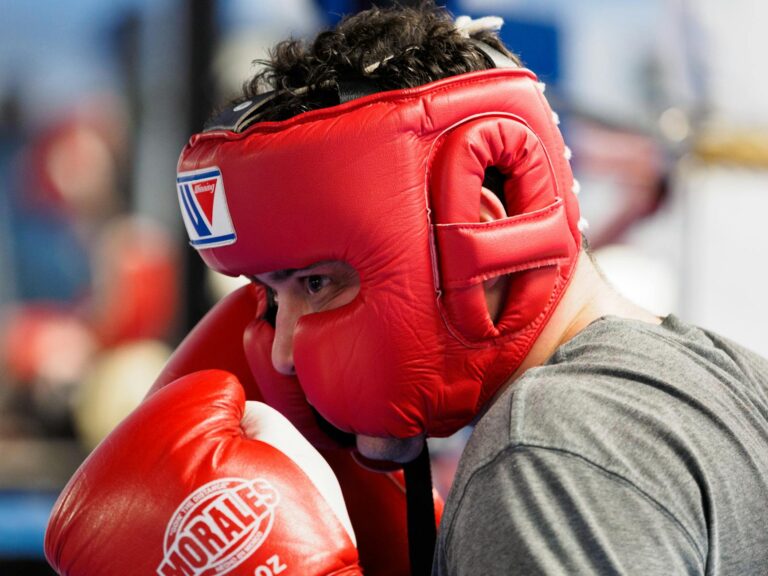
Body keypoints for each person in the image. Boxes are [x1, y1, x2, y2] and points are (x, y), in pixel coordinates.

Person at [46, 3, 768, 575]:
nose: (287, 351)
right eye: (271, 297)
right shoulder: (728, 376)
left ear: (481, 228)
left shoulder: (548, 450)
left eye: (318, 282)